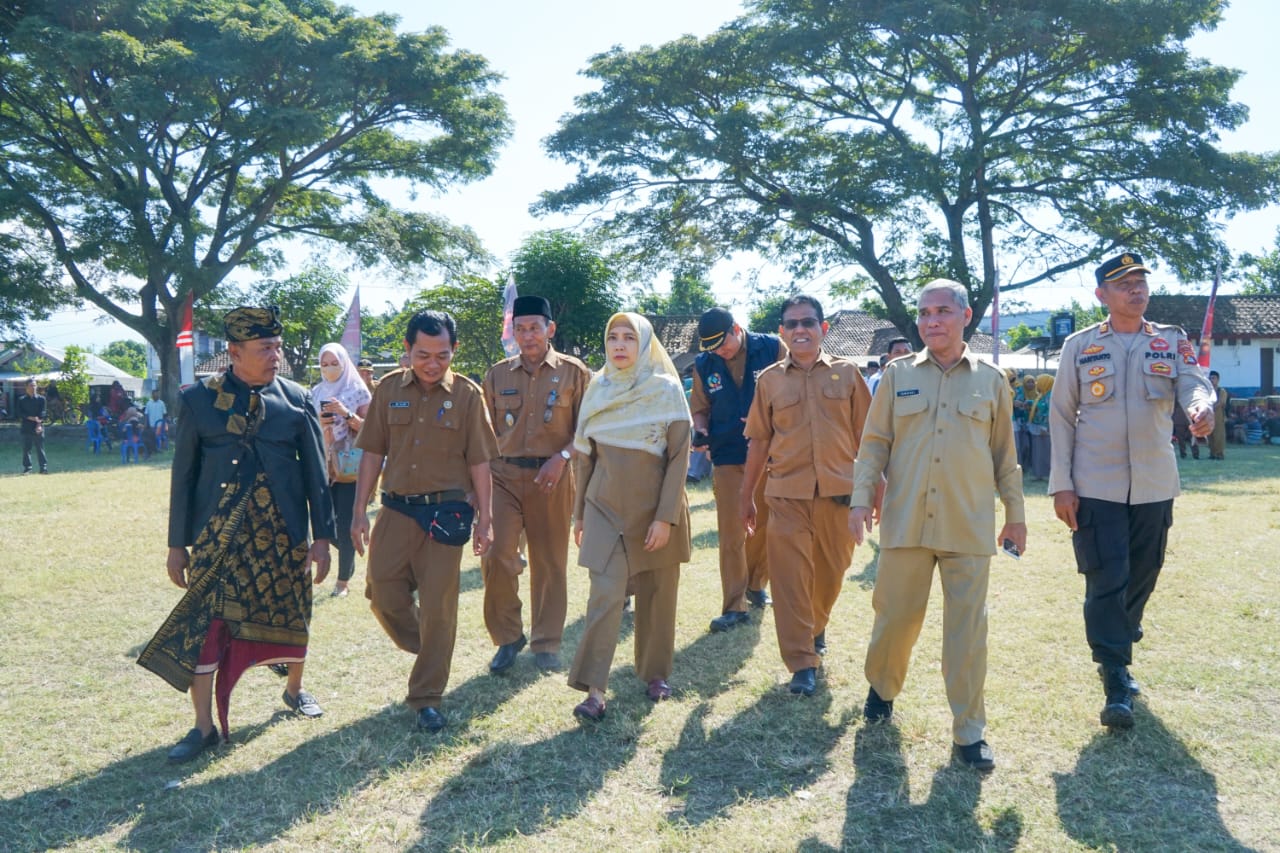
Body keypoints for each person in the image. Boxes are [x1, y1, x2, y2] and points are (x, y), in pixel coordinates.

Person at [138, 306, 335, 763]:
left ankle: (294, 690)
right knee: (209, 625)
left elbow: (316, 477)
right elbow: (183, 477)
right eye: (265, 349)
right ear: (234, 352)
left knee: (293, 614)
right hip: (216, 537)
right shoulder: (197, 401)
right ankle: (203, 727)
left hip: (283, 536)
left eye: (277, 347)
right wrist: (175, 544)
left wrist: (323, 537)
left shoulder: (297, 399)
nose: (275, 356)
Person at [850, 279, 1026, 772]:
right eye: (924, 313)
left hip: (968, 526)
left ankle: (969, 731)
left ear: (965, 316)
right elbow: (874, 445)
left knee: (967, 633)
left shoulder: (991, 380)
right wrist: (860, 500)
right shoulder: (897, 375)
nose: (931, 322)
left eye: (943, 311)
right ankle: (881, 690)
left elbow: (1005, 458)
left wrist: (1016, 516)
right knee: (895, 619)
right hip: (906, 522)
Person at [1049, 252, 1214, 731]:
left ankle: (1122, 635)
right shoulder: (1080, 347)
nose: (1136, 289)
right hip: (1095, 483)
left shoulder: (1169, 341)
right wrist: (1062, 484)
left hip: (1154, 483)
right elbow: (1061, 416)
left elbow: (1193, 382)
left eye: (1140, 281)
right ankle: (1115, 675)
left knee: (1144, 569)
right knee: (1106, 576)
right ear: (1102, 295)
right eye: (1123, 284)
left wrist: (1201, 407)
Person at [351, 310, 498, 733]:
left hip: (445, 513)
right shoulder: (387, 391)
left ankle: (427, 696)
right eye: (423, 355)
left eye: (443, 355)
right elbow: (372, 454)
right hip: (396, 510)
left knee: (438, 606)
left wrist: (485, 521)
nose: (433, 364)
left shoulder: (468, 395)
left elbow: (480, 463)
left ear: (453, 351)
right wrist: (359, 511)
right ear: (407, 350)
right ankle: (431, 649)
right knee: (381, 593)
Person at [740, 295, 873, 697]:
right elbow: (758, 443)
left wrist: (877, 489)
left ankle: (815, 627)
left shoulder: (848, 374)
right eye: (792, 324)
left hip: (839, 495)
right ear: (782, 332)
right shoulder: (769, 380)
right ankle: (801, 662)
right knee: (789, 580)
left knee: (830, 574)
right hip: (785, 496)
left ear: (823, 329)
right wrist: (747, 495)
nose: (800, 329)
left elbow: (870, 440)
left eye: (808, 322)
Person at [568, 312, 691, 721]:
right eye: (612, 338)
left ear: (644, 344)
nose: (619, 345)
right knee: (605, 594)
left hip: (657, 510)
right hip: (603, 508)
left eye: (628, 338)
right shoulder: (597, 390)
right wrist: (579, 515)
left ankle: (655, 674)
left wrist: (665, 518)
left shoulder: (667, 390)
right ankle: (595, 692)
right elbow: (584, 459)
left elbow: (677, 459)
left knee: (659, 594)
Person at [481, 295, 591, 673]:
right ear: (513, 332)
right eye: (521, 329)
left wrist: (561, 458)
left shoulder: (574, 372)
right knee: (496, 554)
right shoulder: (497, 374)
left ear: (550, 329)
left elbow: (587, 429)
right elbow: (483, 433)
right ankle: (508, 636)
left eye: (534, 328)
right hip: (503, 476)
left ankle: (546, 642)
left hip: (552, 478)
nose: (527, 336)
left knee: (549, 562)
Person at [690, 307, 784, 633]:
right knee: (732, 532)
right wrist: (699, 431)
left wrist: (771, 422)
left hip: (771, 457)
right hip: (727, 455)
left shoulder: (773, 348)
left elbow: (793, 393)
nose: (720, 351)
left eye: (723, 343)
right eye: (713, 347)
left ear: (737, 328)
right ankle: (734, 606)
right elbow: (700, 410)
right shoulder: (704, 364)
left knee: (765, 527)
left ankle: (756, 584)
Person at [313, 343, 373, 598]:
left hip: (350, 467)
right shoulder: (315, 392)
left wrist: (345, 413)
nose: (329, 369)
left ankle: (342, 581)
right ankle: (352, 544)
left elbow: (371, 430)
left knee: (345, 522)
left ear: (344, 362)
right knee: (326, 523)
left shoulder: (358, 391)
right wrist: (320, 421)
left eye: (334, 363)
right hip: (322, 465)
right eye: (324, 364)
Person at [17, 378, 48, 474]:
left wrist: (39, 424)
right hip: (26, 427)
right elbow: (18, 413)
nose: (33, 387)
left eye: (34, 385)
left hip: (38, 426)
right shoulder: (21, 400)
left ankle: (43, 468)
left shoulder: (41, 399)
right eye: (31, 385)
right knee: (26, 449)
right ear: (26, 387)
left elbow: (43, 413)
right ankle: (28, 469)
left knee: (40, 448)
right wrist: (30, 417)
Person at [1028, 373, 1053, 480]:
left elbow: (1048, 412)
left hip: (1044, 429)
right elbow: (1038, 405)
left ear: (1045, 383)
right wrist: (1029, 403)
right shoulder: (1043, 394)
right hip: (1038, 427)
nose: (1036, 385)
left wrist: (1045, 427)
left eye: (1039, 383)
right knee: (1038, 451)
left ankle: (1046, 474)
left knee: (1045, 451)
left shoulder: (1050, 396)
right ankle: (1039, 474)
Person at [1012, 375, 1037, 470]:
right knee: (1023, 445)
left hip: (1034, 423)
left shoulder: (1038, 394)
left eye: (1032, 382)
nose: (1031, 384)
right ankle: (1023, 465)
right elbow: (1014, 404)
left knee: (1033, 445)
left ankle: (1031, 464)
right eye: (1028, 382)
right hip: (1021, 423)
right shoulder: (1019, 393)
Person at [1207, 370, 1229, 459]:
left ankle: (1219, 454)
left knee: (1219, 436)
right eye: (1210, 378)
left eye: (1213, 378)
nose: (1211, 380)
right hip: (1208, 417)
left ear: (1218, 379)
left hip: (1218, 416)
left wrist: (1210, 408)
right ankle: (1212, 453)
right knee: (1210, 436)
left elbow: (1221, 402)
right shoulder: (1207, 391)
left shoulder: (1221, 391)